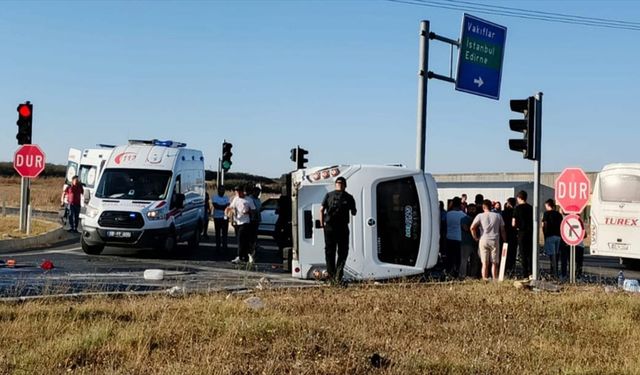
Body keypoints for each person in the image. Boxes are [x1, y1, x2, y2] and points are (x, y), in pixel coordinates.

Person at [319, 176, 357, 284]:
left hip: (329, 227)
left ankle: (331, 278)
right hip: (342, 228)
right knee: (342, 252)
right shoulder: (349, 197)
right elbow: (354, 212)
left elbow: (321, 209)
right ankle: (338, 276)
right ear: (345, 185)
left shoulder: (328, 195)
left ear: (336, 184)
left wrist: (322, 224)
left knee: (330, 252)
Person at [471, 200, 507, 280]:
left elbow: (472, 227)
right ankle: (494, 279)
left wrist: (475, 238)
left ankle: (485, 278)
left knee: (484, 263)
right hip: (494, 239)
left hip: (483, 239)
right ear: (491, 206)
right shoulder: (498, 216)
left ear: (483, 207)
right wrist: (505, 240)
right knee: (494, 262)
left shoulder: (480, 215)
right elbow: (502, 230)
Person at [226, 186, 255, 264]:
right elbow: (231, 207)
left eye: (239, 191)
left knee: (240, 239)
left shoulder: (249, 200)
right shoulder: (236, 199)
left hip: (245, 222)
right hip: (237, 222)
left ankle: (239, 256)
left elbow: (253, 211)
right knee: (243, 241)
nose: (238, 193)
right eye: (236, 191)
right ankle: (246, 256)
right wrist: (228, 210)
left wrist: (248, 212)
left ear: (243, 191)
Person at [513, 190, 533, 278]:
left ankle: (525, 273)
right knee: (530, 253)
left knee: (523, 253)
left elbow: (513, 222)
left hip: (521, 232)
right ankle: (531, 272)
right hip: (530, 232)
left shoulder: (517, 208)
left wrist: (517, 227)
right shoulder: (531, 207)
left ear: (519, 198)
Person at [541, 199, 563, 277]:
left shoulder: (546, 214)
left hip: (550, 236)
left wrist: (545, 234)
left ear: (548, 205)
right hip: (558, 236)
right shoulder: (559, 214)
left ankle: (554, 273)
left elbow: (544, 224)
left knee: (551, 255)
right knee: (556, 255)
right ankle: (555, 271)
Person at [445, 197, 466, 277]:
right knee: (458, 257)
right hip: (459, 238)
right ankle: (457, 272)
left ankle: (448, 272)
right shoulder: (463, 215)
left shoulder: (448, 214)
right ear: (460, 204)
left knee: (450, 257)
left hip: (449, 237)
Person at [459, 203, 478, 278]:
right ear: (467, 209)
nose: (472, 211)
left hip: (475, 243)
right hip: (466, 243)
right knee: (464, 260)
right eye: (471, 209)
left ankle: (473, 275)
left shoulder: (477, 219)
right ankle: (462, 275)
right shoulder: (463, 219)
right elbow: (465, 228)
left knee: (475, 261)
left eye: (474, 209)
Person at [502, 198, 518, 276]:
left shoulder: (503, 213)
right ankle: (511, 271)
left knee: (504, 254)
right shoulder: (516, 212)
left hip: (504, 234)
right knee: (512, 254)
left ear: (508, 203)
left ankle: (503, 270)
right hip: (513, 235)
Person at [212, 186, 230, 252]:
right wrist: (224, 207)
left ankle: (224, 246)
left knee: (225, 233)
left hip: (225, 217)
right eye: (221, 190)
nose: (222, 191)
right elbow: (216, 206)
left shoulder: (227, 197)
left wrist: (222, 207)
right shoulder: (215, 197)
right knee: (217, 233)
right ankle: (218, 246)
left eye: (223, 190)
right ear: (218, 190)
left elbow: (228, 206)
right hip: (217, 217)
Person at [248, 185, 262, 258]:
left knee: (255, 235)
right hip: (251, 219)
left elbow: (259, 208)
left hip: (257, 219)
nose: (258, 194)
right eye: (257, 192)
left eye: (259, 192)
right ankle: (251, 249)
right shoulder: (250, 199)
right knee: (251, 235)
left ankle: (254, 247)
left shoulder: (258, 199)